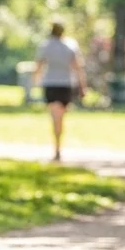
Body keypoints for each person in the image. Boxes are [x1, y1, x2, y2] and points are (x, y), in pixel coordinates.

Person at [34, 22, 87, 162]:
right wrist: (82, 86)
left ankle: (56, 146)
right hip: (65, 84)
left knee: (54, 116)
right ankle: (58, 145)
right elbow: (78, 67)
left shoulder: (45, 45)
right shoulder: (70, 45)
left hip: (50, 83)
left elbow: (38, 65)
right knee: (61, 116)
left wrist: (35, 81)